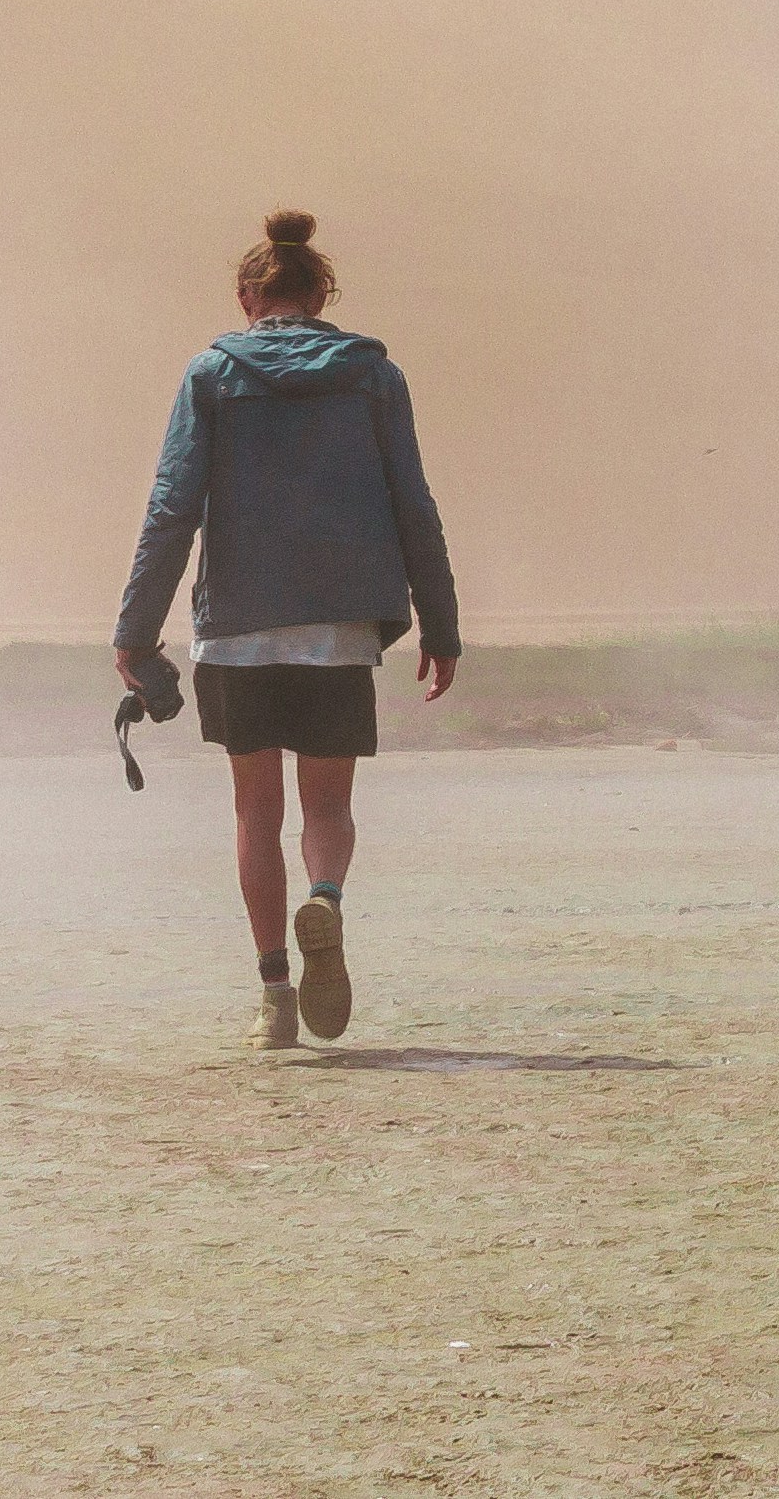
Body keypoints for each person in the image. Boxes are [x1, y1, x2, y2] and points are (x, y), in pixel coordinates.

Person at [114, 209, 464, 1051]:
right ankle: (328, 899)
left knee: (253, 813)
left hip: (236, 627)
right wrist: (440, 624)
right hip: (339, 628)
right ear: (323, 294)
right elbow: (413, 504)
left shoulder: (210, 374)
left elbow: (173, 510)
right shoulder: (375, 378)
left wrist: (135, 629)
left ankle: (275, 999)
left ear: (247, 298)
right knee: (329, 806)